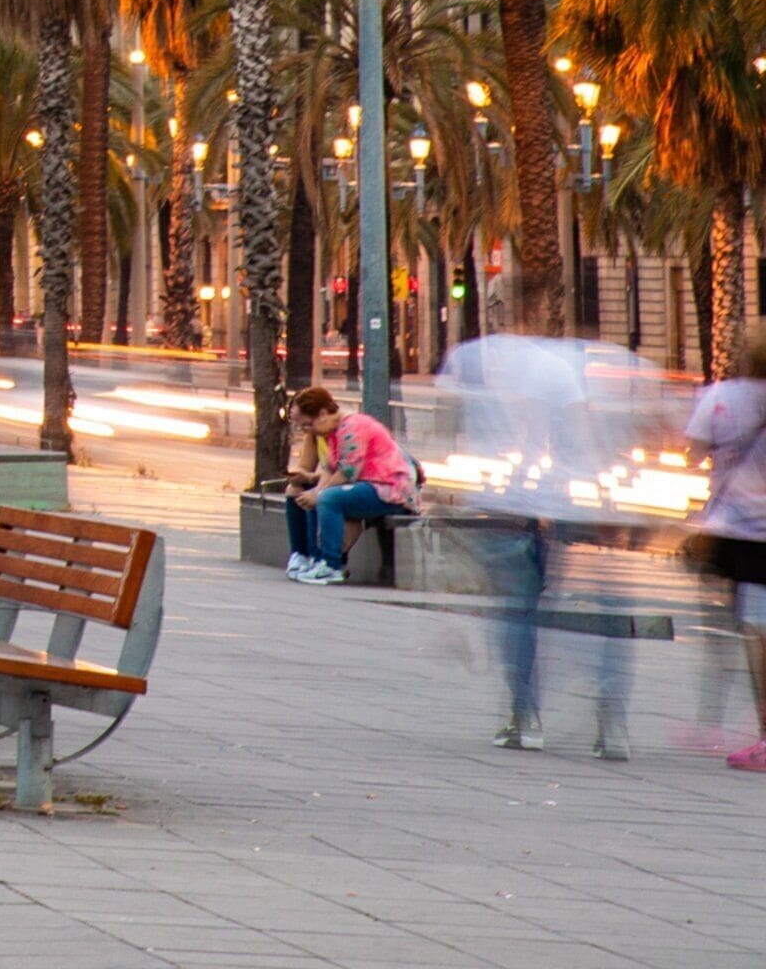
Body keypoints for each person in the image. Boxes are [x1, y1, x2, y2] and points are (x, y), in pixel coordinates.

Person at [443, 327, 646, 756]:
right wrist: (605, 500)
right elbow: (580, 436)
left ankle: (526, 717)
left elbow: (451, 429)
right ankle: (612, 721)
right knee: (605, 612)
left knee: (517, 613)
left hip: (506, 504)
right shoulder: (561, 366)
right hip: (561, 501)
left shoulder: (469, 357)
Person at [686, 320, 766, 771]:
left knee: (751, 634)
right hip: (743, 535)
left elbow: (693, 452)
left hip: (741, 535)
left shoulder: (723, 397)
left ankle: (748, 730)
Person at [282, 384, 419, 586]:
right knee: (314, 496)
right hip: (369, 486)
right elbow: (330, 468)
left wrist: (320, 493)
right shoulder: (333, 432)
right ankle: (315, 557)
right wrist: (315, 491)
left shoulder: (353, 427)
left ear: (322, 414)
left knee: (328, 498)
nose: (307, 431)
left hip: (390, 489)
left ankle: (332, 565)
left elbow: (348, 471)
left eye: (308, 425)